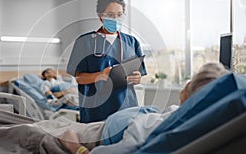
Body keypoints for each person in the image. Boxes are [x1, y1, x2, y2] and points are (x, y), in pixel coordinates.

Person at [59, 62, 229, 154]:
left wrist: (74, 146)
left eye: (192, 80)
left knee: (39, 131)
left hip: (97, 136)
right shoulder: (186, 120)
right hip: (103, 126)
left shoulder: (154, 131)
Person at [67, 0, 147, 123]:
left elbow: (138, 75)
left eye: (119, 15)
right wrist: (100, 75)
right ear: (100, 15)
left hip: (126, 108)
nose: (115, 19)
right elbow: (79, 77)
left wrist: (137, 78)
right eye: (110, 15)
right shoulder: (84, 42)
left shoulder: (132, 42)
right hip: (96, 110)